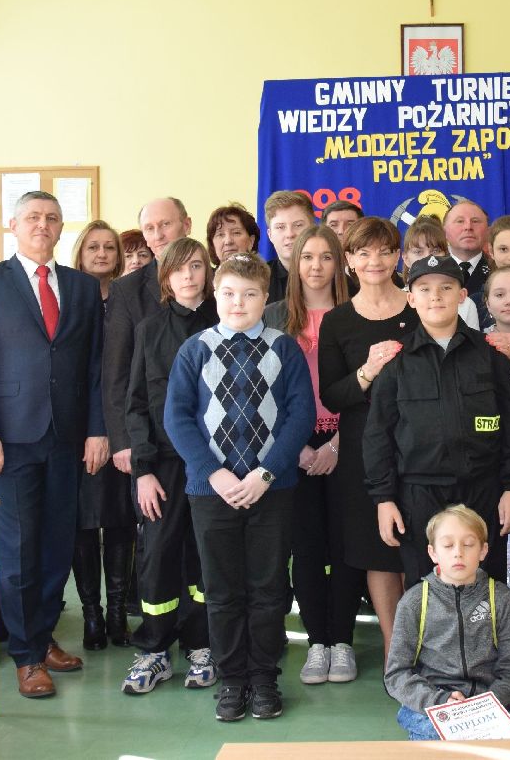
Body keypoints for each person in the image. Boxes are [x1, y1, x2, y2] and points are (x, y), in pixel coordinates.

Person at [0, 190, 110, 699]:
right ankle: (25, 656)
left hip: (68, 437)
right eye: (33, 217)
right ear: (14, 227)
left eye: (52, 218)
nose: (43, 225)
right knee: (18, 549)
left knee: (57, 546)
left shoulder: (82, 287)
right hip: (9, 440)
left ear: (62, 228)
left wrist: (98, 428)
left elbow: (96, 366)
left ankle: (42, 638)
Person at [163, 252, 313, 723]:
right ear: (215, 294)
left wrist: (265, 473)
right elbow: (177, 418)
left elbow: (300, 416)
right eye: (228, 293)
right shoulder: (195, 349)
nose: (238, 303)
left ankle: (264, 678)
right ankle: (231, 679)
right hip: (212, 492)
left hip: (272, 489)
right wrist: (214, 472)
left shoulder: (283, 348)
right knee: (222, 590)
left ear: (265, 298)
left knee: (268, 587)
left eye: (249, 294)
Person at [364, 253, 510, 588]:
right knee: (425, 590)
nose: (435, 296)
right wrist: (384, 499)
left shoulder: (490, 355)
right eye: (424, 289)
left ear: (463, 295)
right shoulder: (396, 362)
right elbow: (378, 435)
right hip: (419, 495)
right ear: (411, 299)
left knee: (485, 587)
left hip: (484, 491)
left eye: (446, 287)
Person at [317, 217, 421, 655]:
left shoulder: (420, 307)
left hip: (420, 447)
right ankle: (394, 649)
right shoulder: (337, 321)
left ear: (398, 256)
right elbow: (332, 395)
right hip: (363, 451)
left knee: (418, 547)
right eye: (363, 252)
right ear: (349, 260)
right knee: (378, 549)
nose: (374, 261)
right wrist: (367, 371)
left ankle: (424, 647)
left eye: (384, 251)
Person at [120, 238, 218, 696]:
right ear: (165, 277)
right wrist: (142, 471)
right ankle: (155, 649)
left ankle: (202, 645)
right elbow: (136, 403)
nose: (188, 276)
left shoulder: (225, 323)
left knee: (205, 554)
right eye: (178, 269)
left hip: (215, 465)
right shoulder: (150, 329)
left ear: (208, 272)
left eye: (196, 266)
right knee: (157, 554)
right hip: (161, 465)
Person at [263, 225, 359, 687]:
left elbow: (369, 387)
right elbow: (265, 391)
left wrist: (337, 442)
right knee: (305, 547)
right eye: (307, 257)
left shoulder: (355, 313)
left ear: (339, 263)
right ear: (294, 263)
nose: (316, 266)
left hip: (348, 445)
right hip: (293, 449)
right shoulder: (274, 316)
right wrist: (297, 446)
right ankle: (317, 642)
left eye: (325, 257)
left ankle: (343, 641)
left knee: (345, 547)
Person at [383, 506, 510, 740]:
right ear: (433, 553)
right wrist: (439, 700)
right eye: (448, 545)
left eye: (468, 544)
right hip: (431, 707)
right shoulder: (414, 602)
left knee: (500, 744)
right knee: (442, 741)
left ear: (483, 550)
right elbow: (396, 674)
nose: (458, 553)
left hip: (488, 705)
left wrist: (485, 702)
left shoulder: (501, 598)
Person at [70, 219, 135, 652]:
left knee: (119, 520)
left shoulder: (127, 297)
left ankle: (117, 614)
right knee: (82, 523)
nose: (101, 254)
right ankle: (91, 615)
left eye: (109, 247)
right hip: (78, 427)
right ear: (80, 252)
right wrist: (93, 428)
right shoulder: (69, 295)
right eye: (93, 246)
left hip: (123, 424)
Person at [104, 198, 194, 480]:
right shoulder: (126, 289)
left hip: (209, 434)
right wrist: (122, 440)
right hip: (151, 439)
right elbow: (116, 370)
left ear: (186, 225)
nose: (158, 235)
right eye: (150, 228)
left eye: (165, 224)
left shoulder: (214, 283)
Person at [401, 214, 481, 329]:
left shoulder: (464, 304)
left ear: (446, 255)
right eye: (418, 252)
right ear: (406, 258)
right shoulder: (395, 303)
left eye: (435, 251)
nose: (428, 258)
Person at [263, 190, 315, 305]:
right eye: (280, 227)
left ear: (312, 229)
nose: (290, 234)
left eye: (298, 225)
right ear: (270, 235)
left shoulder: (337, 278)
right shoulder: (257, 280)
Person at [443, 199, 492, 298]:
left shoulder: (498, 270)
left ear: (488, 231)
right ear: (444, 232)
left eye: (475, 221)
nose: (468, 227)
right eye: (460, 221)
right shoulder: (430, 271)